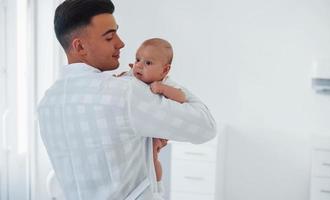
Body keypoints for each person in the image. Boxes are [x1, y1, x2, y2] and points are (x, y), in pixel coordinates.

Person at [37, 0, 217, 199]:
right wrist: (163, 79)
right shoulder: (125, 92)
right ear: (80, 47)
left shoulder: (46, 104)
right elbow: (206, 127)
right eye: (109, 37)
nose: (121, 43)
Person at [117, 38, 187, 199]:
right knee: (137, 156)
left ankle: (157, 186)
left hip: (155, 131)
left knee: (153, 155)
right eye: (137, 60)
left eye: (148, 63)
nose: (139, 65)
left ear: (164, 70)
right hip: (137, 129)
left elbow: (182, 97)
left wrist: (163, 89)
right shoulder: (133, 79)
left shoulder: (165, 82)